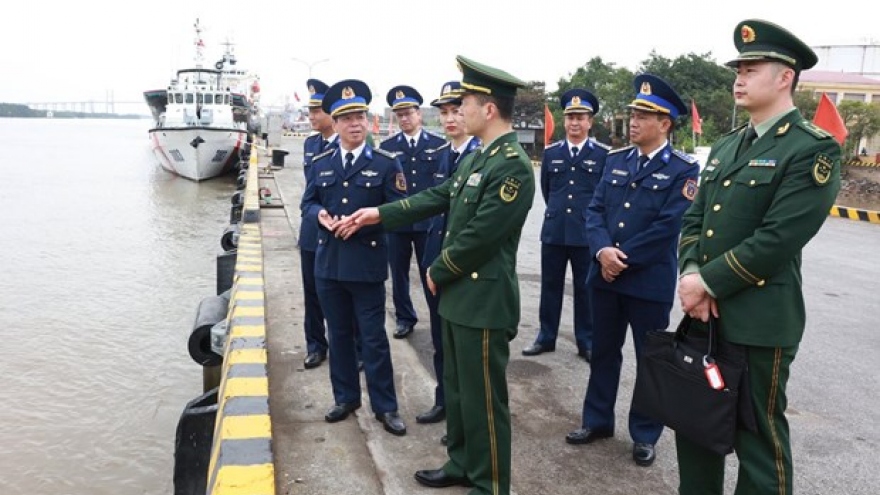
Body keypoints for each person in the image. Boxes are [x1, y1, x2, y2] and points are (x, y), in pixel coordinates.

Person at [337, 55, 534, 495]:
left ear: (488, 108)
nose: (457, 111)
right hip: (459, 297)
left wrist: (438, 268)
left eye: (464, 102)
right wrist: (378, 214)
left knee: (484, 401)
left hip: (483, 301)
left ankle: (491, 483)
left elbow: (483, 235)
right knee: (460, 392)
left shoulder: (513, 165)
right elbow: (437, 196)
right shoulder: (478, 159)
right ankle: (462, 463)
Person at [676, 19, 841, 494]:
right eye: (738, 70)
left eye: (751, 68)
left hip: (759, 323)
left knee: (758, 443)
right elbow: (694, 221)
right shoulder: (729, 146)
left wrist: (706, 282)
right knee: (696, 431)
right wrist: (691, 274)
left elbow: (778, 239)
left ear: (785, 77)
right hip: (704, 314)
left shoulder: (810, 150)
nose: (739, 79)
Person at [566, 74, 700, 467]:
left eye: (645, 115)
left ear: (666, 123)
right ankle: (597, 421)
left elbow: (668, 226)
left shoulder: (682, 169)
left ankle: (645, 434)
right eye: (633, 113)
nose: (635, 120)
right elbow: (595, 212)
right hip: (605, 279)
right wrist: (602, 251)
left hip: (647, 282)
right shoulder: (615, 160)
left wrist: (619, 258)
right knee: (603, 353)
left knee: (650, 360)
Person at [300, 79, 409, 436]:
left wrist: (365, 220)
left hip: (366, 265)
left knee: (373, 338)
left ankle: (386, 406)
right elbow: (309, 202)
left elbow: (398, 209)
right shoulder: (320, 162)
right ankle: (345, 398)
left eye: (360, 116)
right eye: (347, 118)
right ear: (336, 122)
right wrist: (320, 216)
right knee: (339, 335)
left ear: (368, 120)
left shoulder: (386, 163)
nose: (355, 124)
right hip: (329, 266)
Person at [523, 88, 608, 362]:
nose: (574, 123)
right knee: (550, 287)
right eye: (570, 117)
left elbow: (604, 197)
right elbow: (548, 191)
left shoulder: (602, 155)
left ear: (590, 122)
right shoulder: (552, 153)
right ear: (564, 120)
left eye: (580, 117)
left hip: (586, 235)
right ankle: (546, 336)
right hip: (555, 231)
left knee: (585, 290)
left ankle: (586, 341)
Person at [416, 81, 482, 427]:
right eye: (443, 113)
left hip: (463, 265)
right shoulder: (440, 156)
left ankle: (464, 413)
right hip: (434, 257)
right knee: (441, 339)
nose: (450, 119)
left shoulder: (482, 157)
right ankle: (445, 400)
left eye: (457, 110)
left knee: (464, 347)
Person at [380, 85, 448, 339]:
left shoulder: (438, 146)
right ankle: (404, 317)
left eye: (409, 112)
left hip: (427, 223)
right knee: (398, 274)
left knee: (430, 271)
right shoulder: (387, 147)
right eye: (400, 114)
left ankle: (436, 320)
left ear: (419, 114)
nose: (405, 118)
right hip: (398, 222)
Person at [299, 78, 337, 370]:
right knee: (311, 292)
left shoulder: (351, 143)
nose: (311, 116)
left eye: (316, 110)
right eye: (309, 110)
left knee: (340, 294)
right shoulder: (310, 144)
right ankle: (315, 345)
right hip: (313, 228)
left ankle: (351, 347)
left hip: (341, 229)